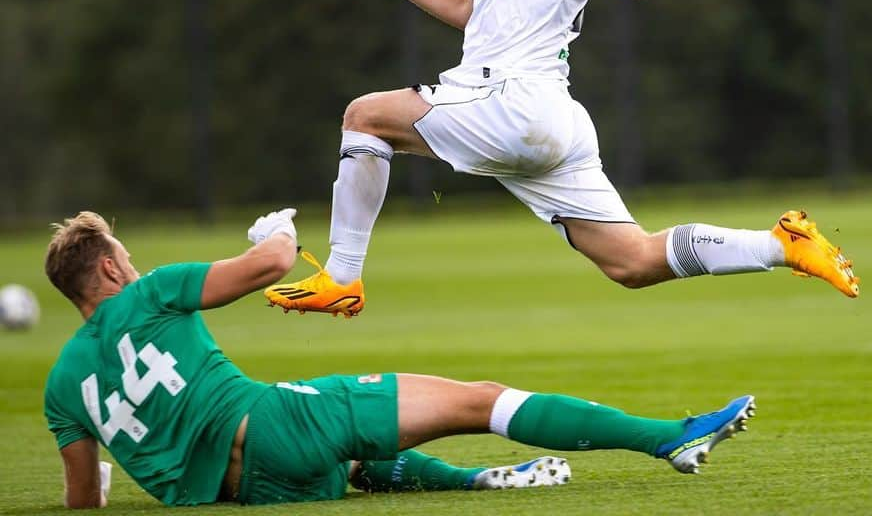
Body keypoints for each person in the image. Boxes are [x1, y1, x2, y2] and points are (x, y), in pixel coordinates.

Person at [264, 0, 858, 318]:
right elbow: (474, 12)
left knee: (364, 116)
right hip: (548, 122)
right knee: (634, 263)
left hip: (513, 103)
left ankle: (342, 276)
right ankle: (783, 245)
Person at [43, 208, 756, 507]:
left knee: (355, 458)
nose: (132, 269)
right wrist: (278, 228)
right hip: (275, 426)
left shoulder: (61, 385)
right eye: (125, 260)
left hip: (247, 492)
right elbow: (269, 265)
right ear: (108, 271)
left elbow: (85, 500)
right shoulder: (153, 293)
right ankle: (672, 436)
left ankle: (477, 484)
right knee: (480, 399)